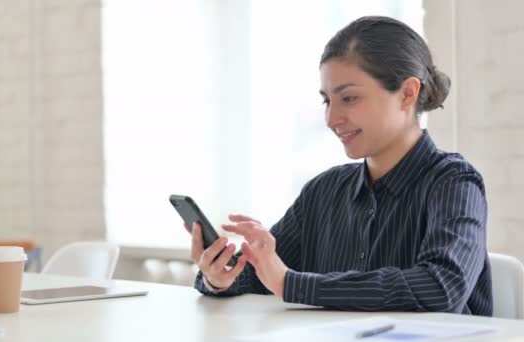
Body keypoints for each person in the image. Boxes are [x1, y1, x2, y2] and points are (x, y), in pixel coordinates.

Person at [188, 15, 492, 316]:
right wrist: (219, 276)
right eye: (327, 101)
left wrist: (291, 283)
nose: (332, 119)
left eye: (349, 98)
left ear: (407, 94)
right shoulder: (324, 191)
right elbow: (262, 275)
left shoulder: (454, 182)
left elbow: (441, 287)